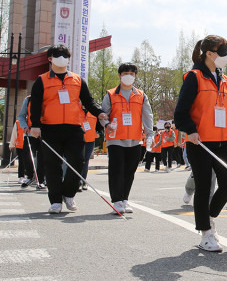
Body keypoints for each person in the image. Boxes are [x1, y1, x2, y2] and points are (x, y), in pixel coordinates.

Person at [174, 35, 227, 252]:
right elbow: (180, 111)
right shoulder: (194, 77)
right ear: (209, 53)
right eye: (223, 52)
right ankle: (205, 233)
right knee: (203, 187)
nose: (226, 57)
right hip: (199, 141)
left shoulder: (225, 79)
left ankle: (208, 218)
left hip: (222, 141)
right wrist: (190, 130)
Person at [28, 45, 108, 213]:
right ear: (49, 59)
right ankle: (55, 200)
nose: (62, 58)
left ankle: (69, 194)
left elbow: (88, 101)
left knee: (78, 162)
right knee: (52, 166)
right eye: (58, 55)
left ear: (69, 59)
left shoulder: (77, 80)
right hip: (50, 129)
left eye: (65, 55)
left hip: (73, 128)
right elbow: (35, 104)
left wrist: (99, 113)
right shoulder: (42, 80)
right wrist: (35, 125)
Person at [102, 62, 154, 214]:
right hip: (116, 138)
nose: (129, 76)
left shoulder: (141, 95)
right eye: (125, 73)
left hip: (135, 138)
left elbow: (147, 115)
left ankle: (124, 199)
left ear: (135, 76)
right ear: (119, 75)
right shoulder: (110, 94)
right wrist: (106, 124)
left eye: (132, 74)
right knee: (116, 170)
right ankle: (116, 201)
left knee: (130, 171)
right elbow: (103, 114)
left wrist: (149, 133)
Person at [17, 96, 46, 189]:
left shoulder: (48, 98)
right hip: (30, 133)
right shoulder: (28, 100)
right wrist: (24, 126)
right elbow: (21, 116)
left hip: (43, 133)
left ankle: (41, 180)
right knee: (27, 156)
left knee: (42, 158)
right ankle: (30, 176)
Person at [79, 107, 101, 191]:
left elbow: (99, 126)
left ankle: (83, 181)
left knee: (85, 161)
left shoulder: (94, 112)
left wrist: (99, 133)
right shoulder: (76, 109)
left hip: (90, 140)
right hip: (78, 140)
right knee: (78, 160)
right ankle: (78, 181)